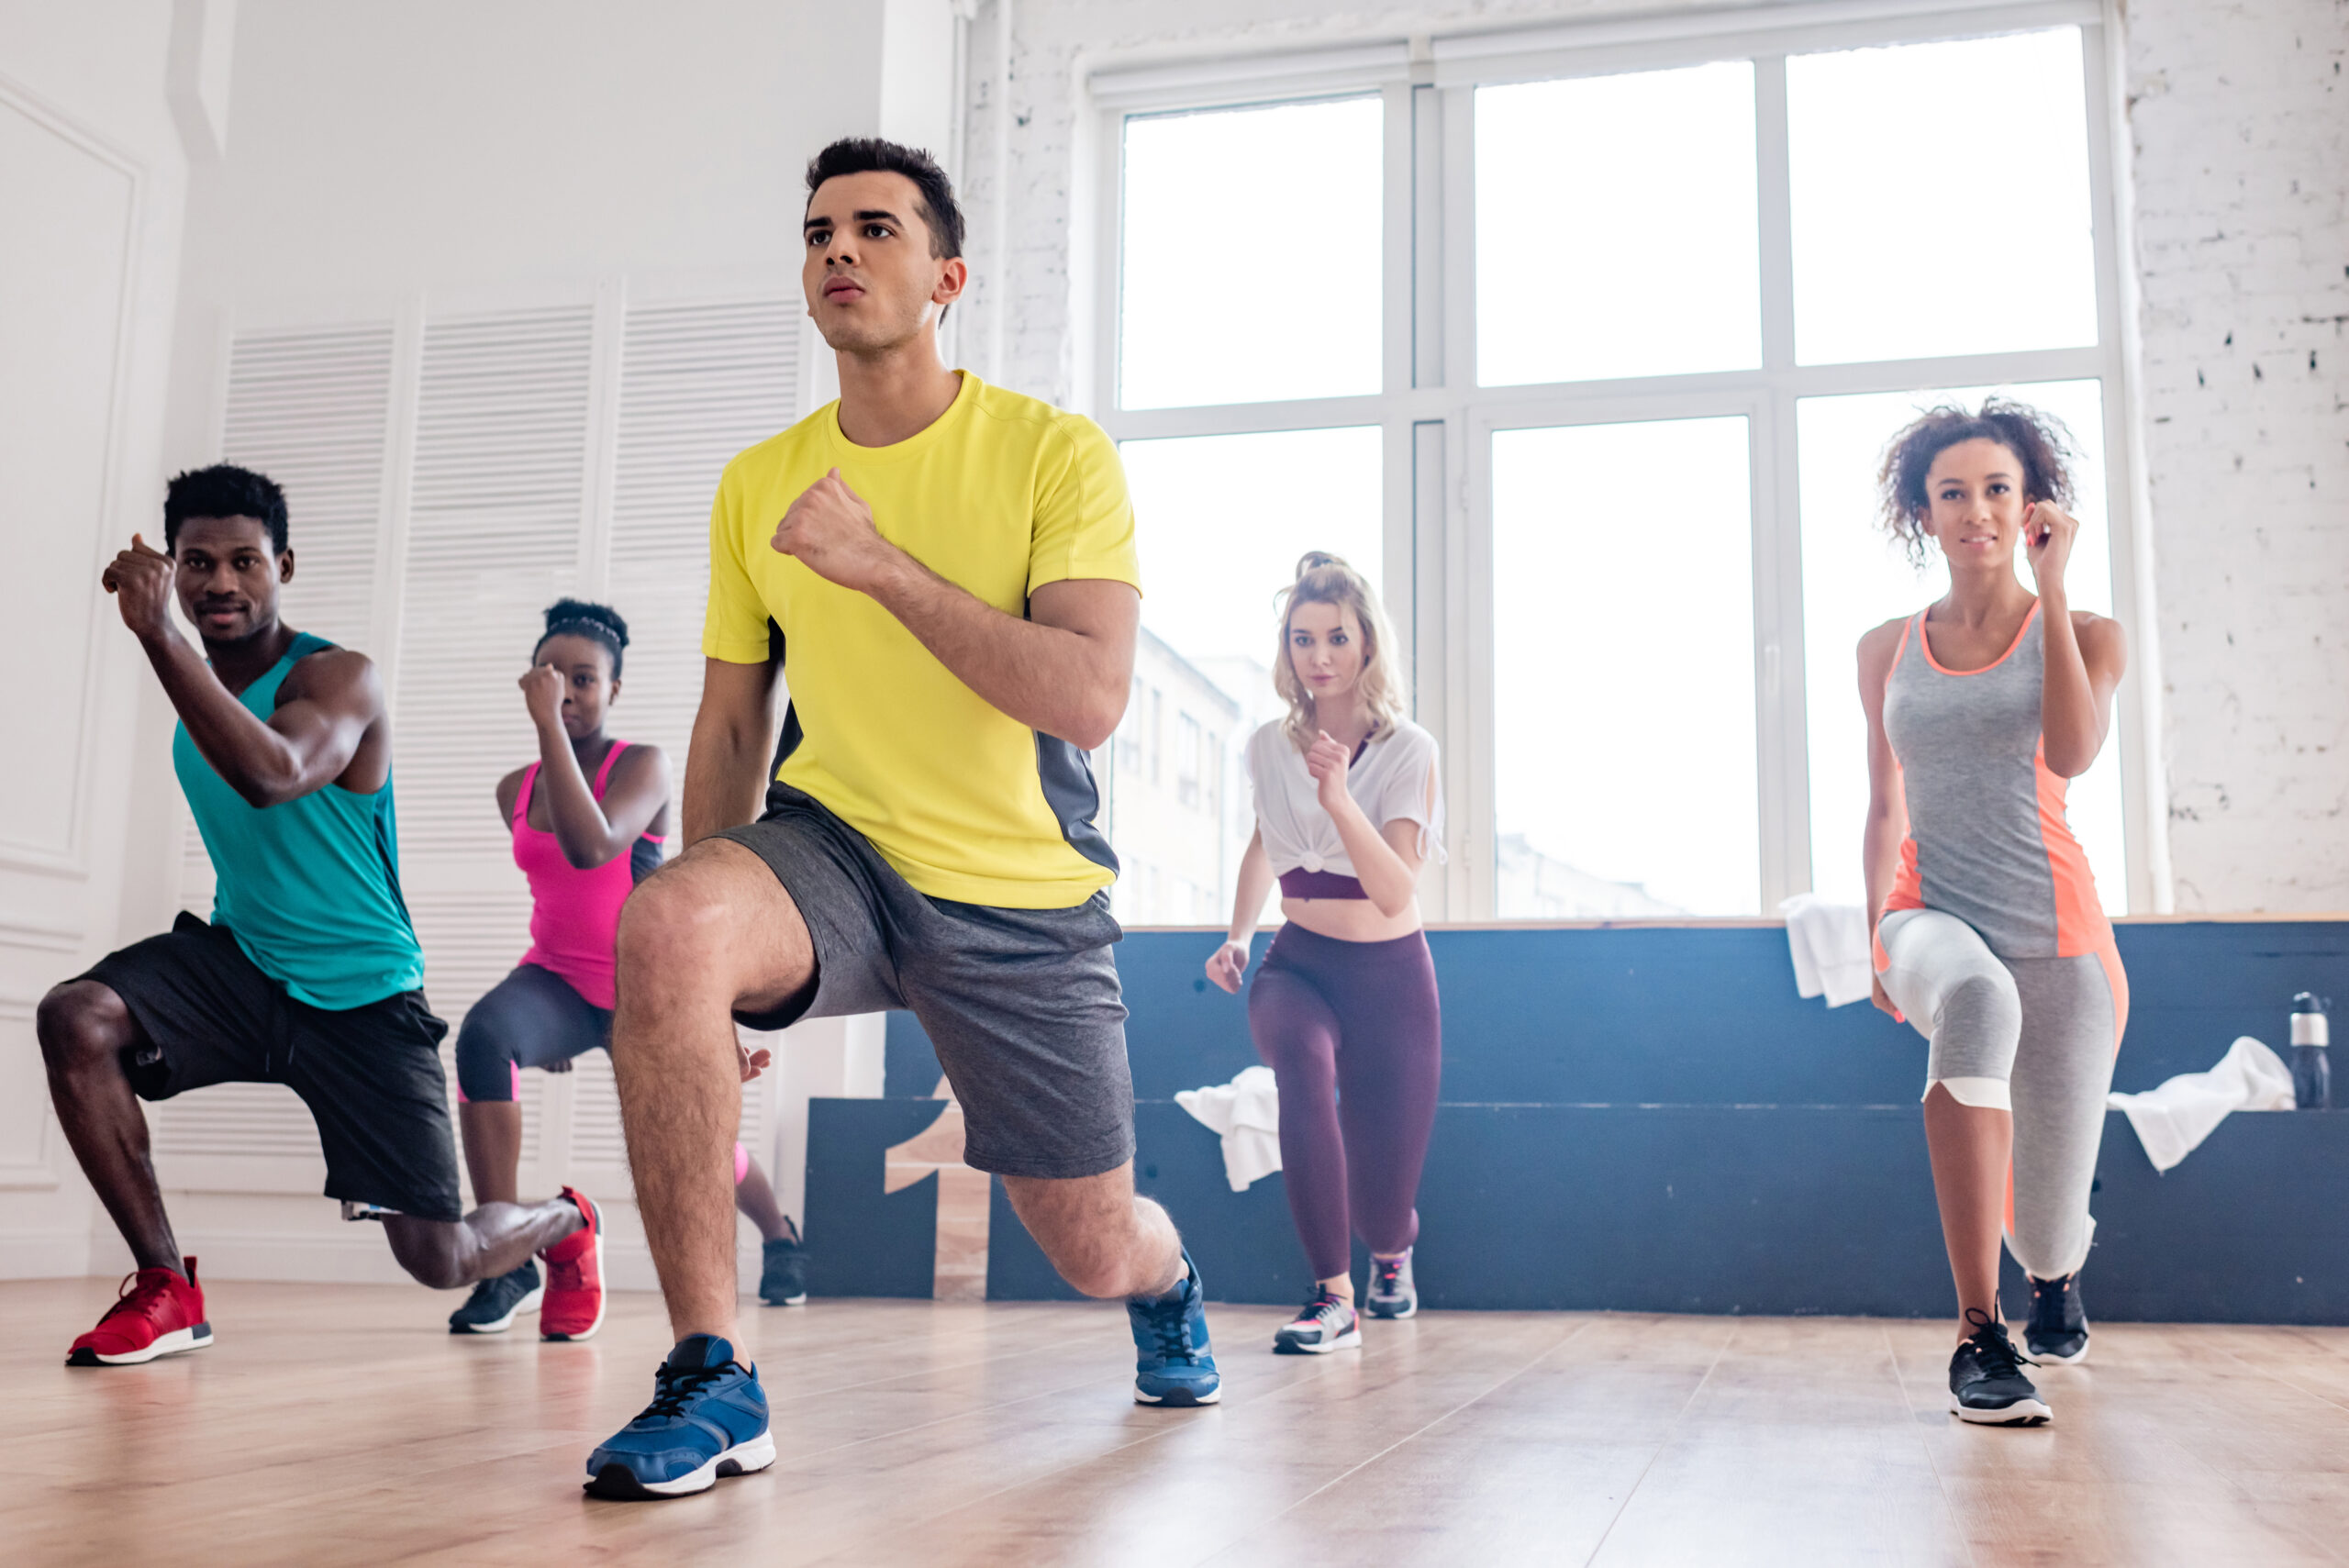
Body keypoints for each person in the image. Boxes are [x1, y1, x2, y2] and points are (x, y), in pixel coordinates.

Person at [579, 137, 1216, 1500]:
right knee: (667, 925)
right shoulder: (760, 483)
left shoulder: (1053, 453)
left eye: (874, 228)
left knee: (1094, 1246)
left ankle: (1171, 1279)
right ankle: (711, 1371)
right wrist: (708, 982)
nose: (838, 251)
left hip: (1019, 896)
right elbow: (738, 723)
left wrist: (879, 566)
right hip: (840, 849)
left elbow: (1090, 697)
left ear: (948, 276)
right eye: (817, 233)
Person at [36, 464, 595, 1365]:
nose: (220, 582)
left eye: (244, 561)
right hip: (246, 964)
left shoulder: (341, 678)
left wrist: (157, 635)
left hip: (363, 992)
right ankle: (165, 1286)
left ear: (283, 565)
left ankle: (566, 1220)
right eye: (197, 562)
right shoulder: (200, 701)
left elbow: (275, 774)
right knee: (78, 1014)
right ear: (174, 567)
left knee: (441, 1255)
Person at [1857, 400, 2129, 1426]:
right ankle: (1980, 1331)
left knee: (2049, 1223)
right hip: (1926, 909)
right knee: (1974, 997)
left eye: (1997, 489)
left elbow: (2069, 752)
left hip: (2056, 936)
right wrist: (1870, 940)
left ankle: (2053, 1276)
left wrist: (2051, 590)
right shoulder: (1884, 647)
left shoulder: (2090, 632)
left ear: (2032, 504)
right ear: (1921, 512)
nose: (1976, 510)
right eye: (1952, 492)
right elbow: (1883, 800)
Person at [446, 600, 807, 1336]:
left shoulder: (642, 766)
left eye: (585, 678)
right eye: (554, 676)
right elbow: (560, 898)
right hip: (557, 980)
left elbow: (592, 847)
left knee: (704, 1139)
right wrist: (537, 1029)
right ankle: (507, 1256)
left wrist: (550, 725)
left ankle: (780, 1234)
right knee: (484, 1038)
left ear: (615, 690)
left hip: (646, 991)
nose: (569, 691)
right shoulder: (512, 788)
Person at [1207, 553, 1443, 1355]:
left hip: (1391, 981)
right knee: (1299, 1065)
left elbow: (1396, 890)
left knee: (1383, 1203)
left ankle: (1391, 1250)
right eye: (1302, 638)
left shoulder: (1410, 750)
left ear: (1368, 644)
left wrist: (1340, 797)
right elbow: (1262, 847)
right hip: (1297, 965)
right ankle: (1330, 1295)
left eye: (1337, 637)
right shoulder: (1268, 746)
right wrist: (1239, 936)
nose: (1320, 656)